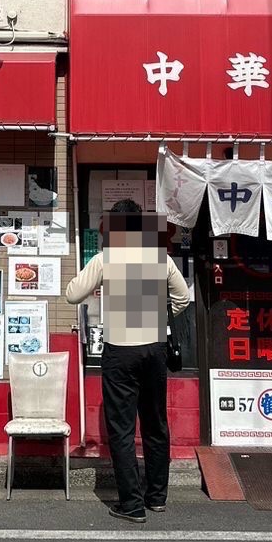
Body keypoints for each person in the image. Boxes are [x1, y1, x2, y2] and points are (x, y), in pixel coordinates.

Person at [64, 207, 189, 523]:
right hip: (154, 347)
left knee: (121, 429)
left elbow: (72, 294)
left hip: (121, 349)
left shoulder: (108, 258)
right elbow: (183, 298)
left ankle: (131, 503)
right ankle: (156, 497)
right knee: (155, 421)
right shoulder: (159, 257)